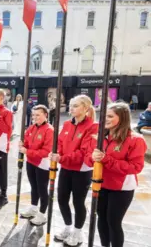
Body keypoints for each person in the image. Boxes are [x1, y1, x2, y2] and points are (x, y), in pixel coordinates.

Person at [85, 102, 146, 247]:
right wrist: (93, 158)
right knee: (101, 218)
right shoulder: (100, 137)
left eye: (110, 116)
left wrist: (107, 159)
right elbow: (88, 160)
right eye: (104, 115)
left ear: (122, 118)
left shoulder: (135, 140)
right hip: (100, 183)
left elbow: (135, 167)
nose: (105, 118)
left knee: (113, 221)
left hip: (121, 188)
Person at [50, 95, 96, 246]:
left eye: (75, 105)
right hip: (66, 168)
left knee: (78, 201)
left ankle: (78, 232)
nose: (71, 108)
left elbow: (83, 153)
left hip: (81, 170)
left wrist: (61, 158)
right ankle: (68, 227)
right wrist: (57, 154)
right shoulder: (67, 124)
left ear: (85, 108)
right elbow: (60, 143)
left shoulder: (92, 127)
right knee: (62, 198)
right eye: (70, 105)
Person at [19, 105, 53, 226]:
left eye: (38, 115)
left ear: (45, 115)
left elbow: (45, 151)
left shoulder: (49, 130)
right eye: (33, 115)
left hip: (42, 164)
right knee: (33, 186)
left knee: (42, 189)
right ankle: (33, 208)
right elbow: (27, 143)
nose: (35, 117)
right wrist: (23, 145)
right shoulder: (31, 128)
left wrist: (27, 151)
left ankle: (42, 214)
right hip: (31, 161)